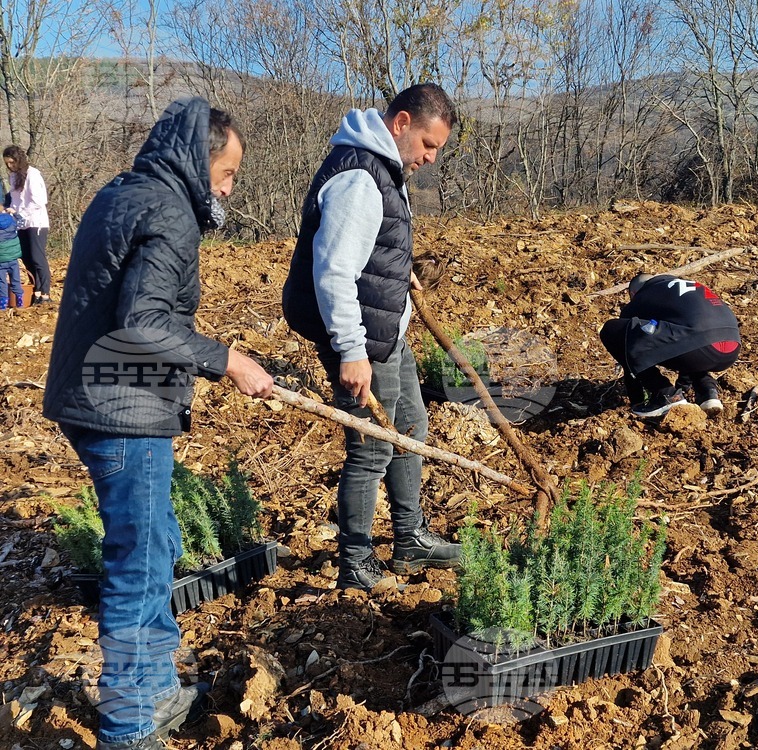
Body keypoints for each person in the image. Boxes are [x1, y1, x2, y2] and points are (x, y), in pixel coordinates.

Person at [42, 98, 273, 750]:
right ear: (201, 163)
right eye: (227, 174)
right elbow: (143, 324)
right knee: (138, 567)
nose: (228, 188)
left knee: (160, 541)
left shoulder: (123, 192)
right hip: (123, 412)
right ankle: (125, 730)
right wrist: (226, 358)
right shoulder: (170, 212)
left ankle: (156, 693)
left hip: (97, 400)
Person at [282, 83, 461, 592]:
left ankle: (409, 539)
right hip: (360, 336)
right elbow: (335, 271)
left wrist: (399, 272)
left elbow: (368, 248)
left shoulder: (384, 167)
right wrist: (351, 351)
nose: (430, 157)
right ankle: (356, 561)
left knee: (411, 426)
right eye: (428, 144)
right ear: (401, 123)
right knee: (371, 447)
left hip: (386, 326)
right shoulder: (361, 176)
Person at [600, 272, 741, 418]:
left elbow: (627, 344)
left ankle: (665, 395)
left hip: (698, 346)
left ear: (634, 292)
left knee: (612, 330)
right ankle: (707, 391)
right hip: (731, 348)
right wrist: (684, 385)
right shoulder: (687, 288)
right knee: (682, 337)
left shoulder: (646, 292)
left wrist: (636, 398)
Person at [3, 145, 52, 304]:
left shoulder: (33, 174)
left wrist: (22, 213)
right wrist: (12, 210)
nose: (10, 166)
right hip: (21, 223)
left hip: (36, 222)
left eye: (12, 162)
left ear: (19, 160)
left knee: (38, 258)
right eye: (7, 163)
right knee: (26, 257)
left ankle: (45, 293)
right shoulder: (14, 177)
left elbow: (39, 201)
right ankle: (36, 290)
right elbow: (17, 200)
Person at [0, 209, 23, 309]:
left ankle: (3, 305)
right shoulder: (12, 222)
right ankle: (19, 302)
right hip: (13, 260)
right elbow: (22, 221)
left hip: (1, 261)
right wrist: (14, 212)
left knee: (2, 282)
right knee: (16, 280)